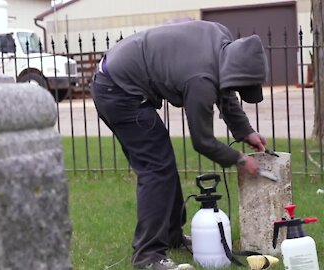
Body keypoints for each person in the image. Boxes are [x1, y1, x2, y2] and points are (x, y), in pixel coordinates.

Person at [91, 20, 268, 270]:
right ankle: (148, 255)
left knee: (161, 163)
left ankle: (172, 237)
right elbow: (202, 141)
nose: (237, 90)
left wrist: (245, 131)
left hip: (118, 79)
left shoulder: (222, 40)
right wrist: (239, 160)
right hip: (117, 90)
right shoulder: (200, 80)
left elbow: (225, 91)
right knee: (156, 169)